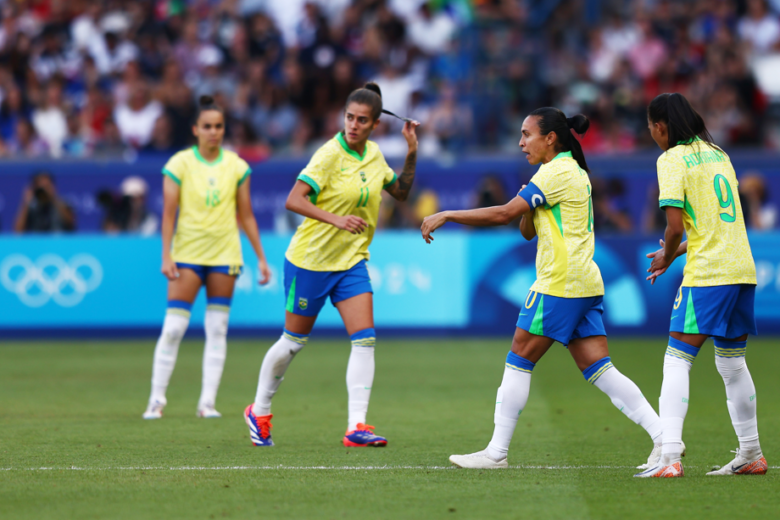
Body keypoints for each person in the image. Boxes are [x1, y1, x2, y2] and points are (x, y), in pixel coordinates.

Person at [421, 108, 664, 469]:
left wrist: (448, 214)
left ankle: (496, 453)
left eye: (526, 134)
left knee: (519, 358)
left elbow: (502, 215)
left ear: (550, 138)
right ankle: (665, 439)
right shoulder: (569, 171)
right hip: (584, 282)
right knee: (600, 368)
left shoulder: (556, 172)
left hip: (560, 282)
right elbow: (525, 229)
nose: (520, 143)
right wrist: (527, 206)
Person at [245, 82, 419, 447]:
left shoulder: (373, 155)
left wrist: (412, 152)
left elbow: (400, 193)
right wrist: (336, 219)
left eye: (361, 120)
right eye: (349, 117)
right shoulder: (328, 154)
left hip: (351, 261)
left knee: (365, 340)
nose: (353, 125)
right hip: (310, 260)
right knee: (293, 342)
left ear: (375, 125)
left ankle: (357, 426)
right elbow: (294, 200)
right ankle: (258, 410)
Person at [636, 93, 766, 478]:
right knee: (731, 362)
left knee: (677, 357)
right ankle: (751, 453)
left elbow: (674, 227)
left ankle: (669, 457)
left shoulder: (671, 159)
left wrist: (669, 251)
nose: (651, 134)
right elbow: (719, 225)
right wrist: (673, 254)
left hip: (709, 272)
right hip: (741, 268)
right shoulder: (718, 153)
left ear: (661, 127)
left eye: (650, 127)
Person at [143, 95, 271, 420]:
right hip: (187, 254)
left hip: (224, 254)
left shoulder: (237, 166)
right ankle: (156, 400)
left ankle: (207, 404)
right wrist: (166, 255)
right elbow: (168, 214)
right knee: (173, 327)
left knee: (218, 328)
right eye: (207, 126)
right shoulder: (179, 164)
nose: (213, 132)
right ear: (195, 129)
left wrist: (261, 259)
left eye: (218, 126)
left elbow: (247, 216)